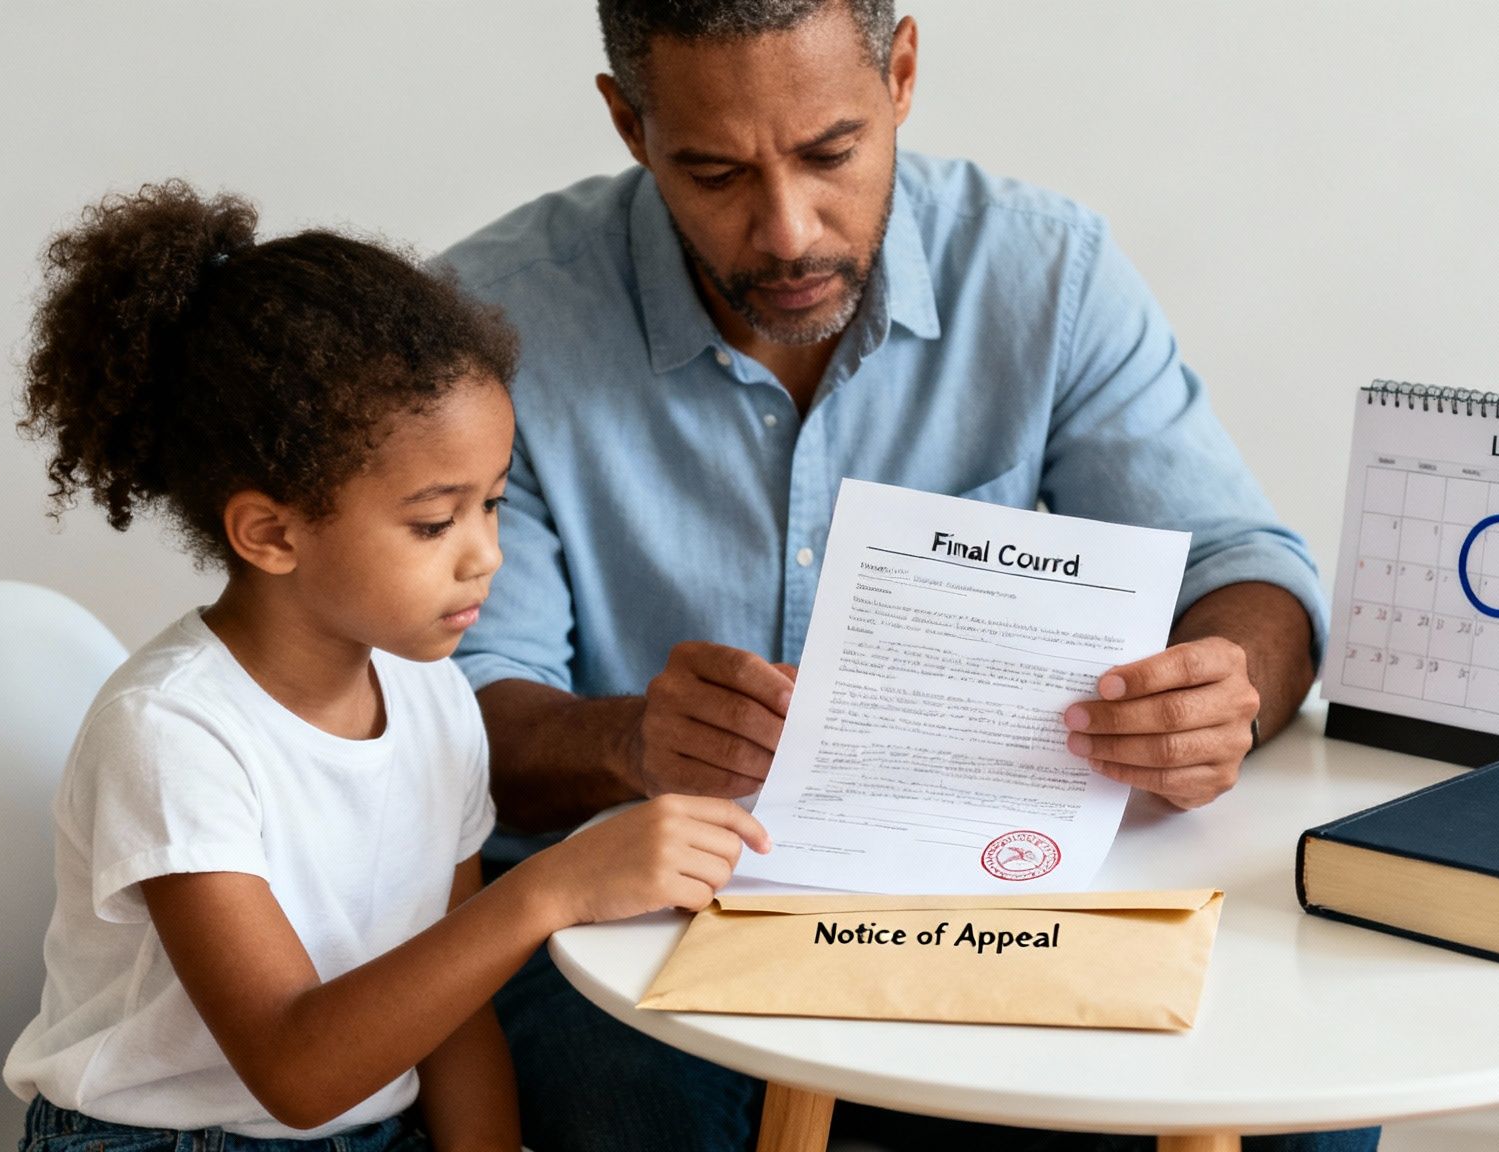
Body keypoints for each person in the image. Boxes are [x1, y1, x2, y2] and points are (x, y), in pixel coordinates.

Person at [442, 2, 1376, 1149]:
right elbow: (452, 713)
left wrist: (1222, 681)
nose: (785, 231)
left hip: (988, 899)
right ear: (628, 125)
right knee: (657, 1105)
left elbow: (1245, 566)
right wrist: (624, 741)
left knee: (1299, 1109)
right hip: (636, 923)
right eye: (714, 173)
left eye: (830, 153)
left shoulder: (1045, 274)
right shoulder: (493, 330)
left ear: (902, 73)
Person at [2, 181, 770, 1152]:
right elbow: (296, 1071)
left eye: (491, 501)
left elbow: (448, 1011)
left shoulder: (429, 696)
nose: (485, 552)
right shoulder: (171, 736)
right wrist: (551, 888)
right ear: (270, 534)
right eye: (431, 521)